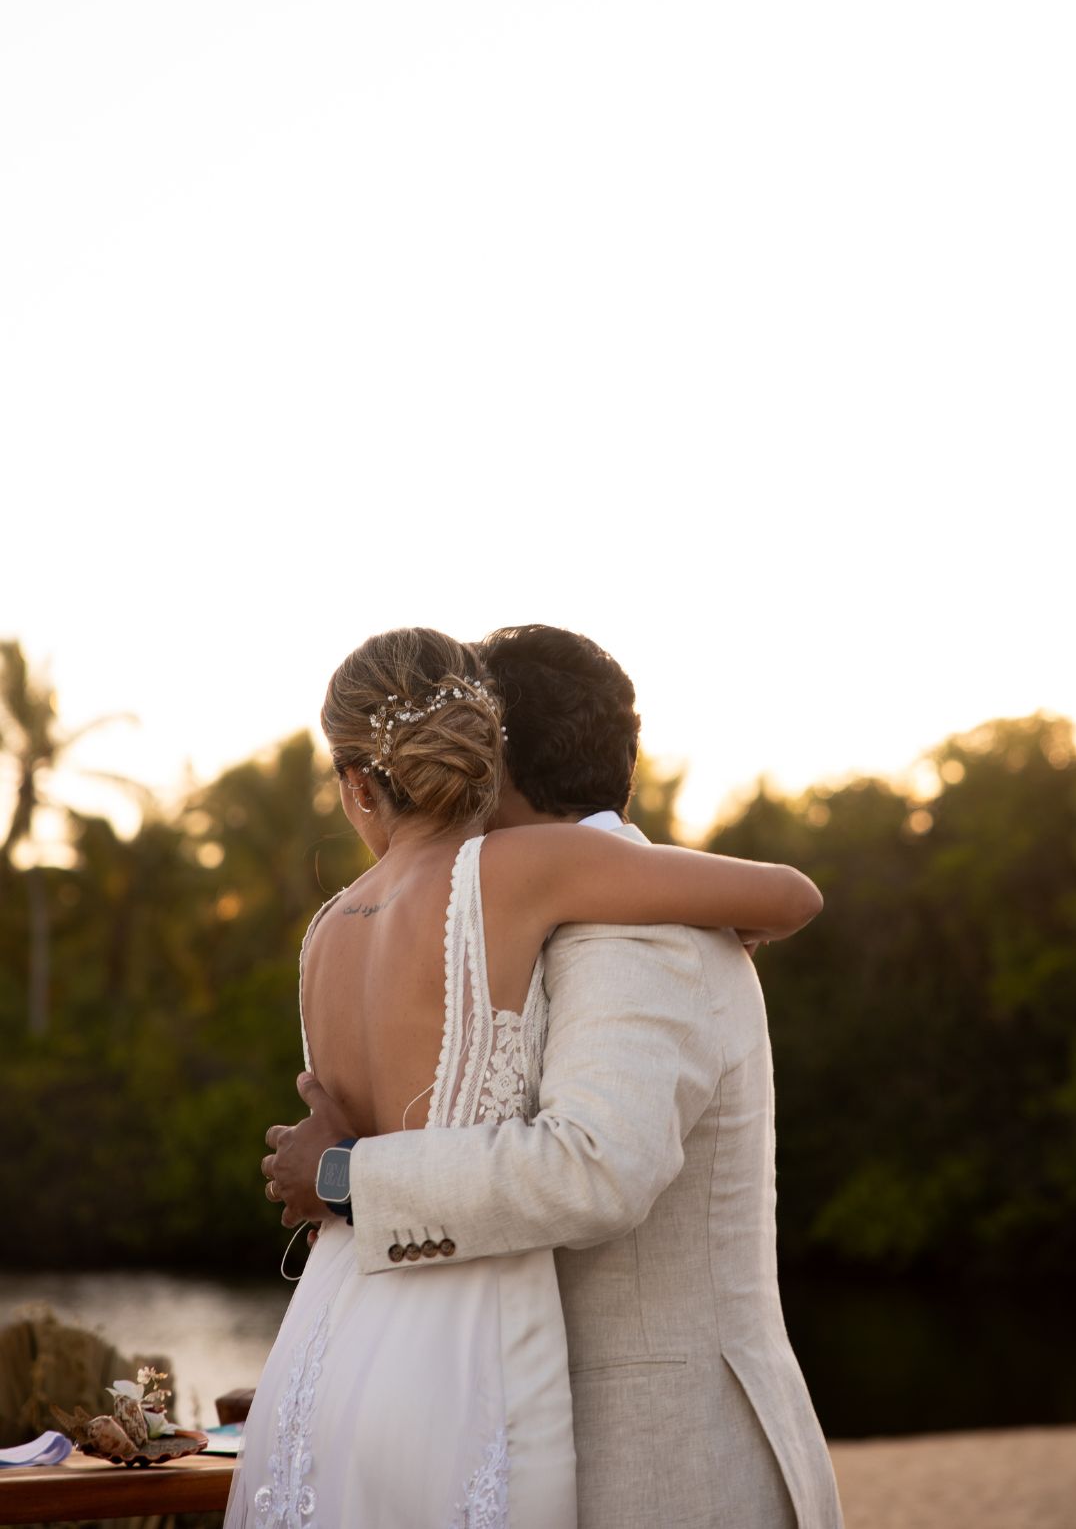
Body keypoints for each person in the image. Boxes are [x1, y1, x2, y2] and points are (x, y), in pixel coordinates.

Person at [231, 625, 824, 1529]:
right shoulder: (567, 897)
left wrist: (345, 1176)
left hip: (658, 1461)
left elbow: (594, 1167)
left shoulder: (639, 929)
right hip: (472, 1387)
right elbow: (788, 893)